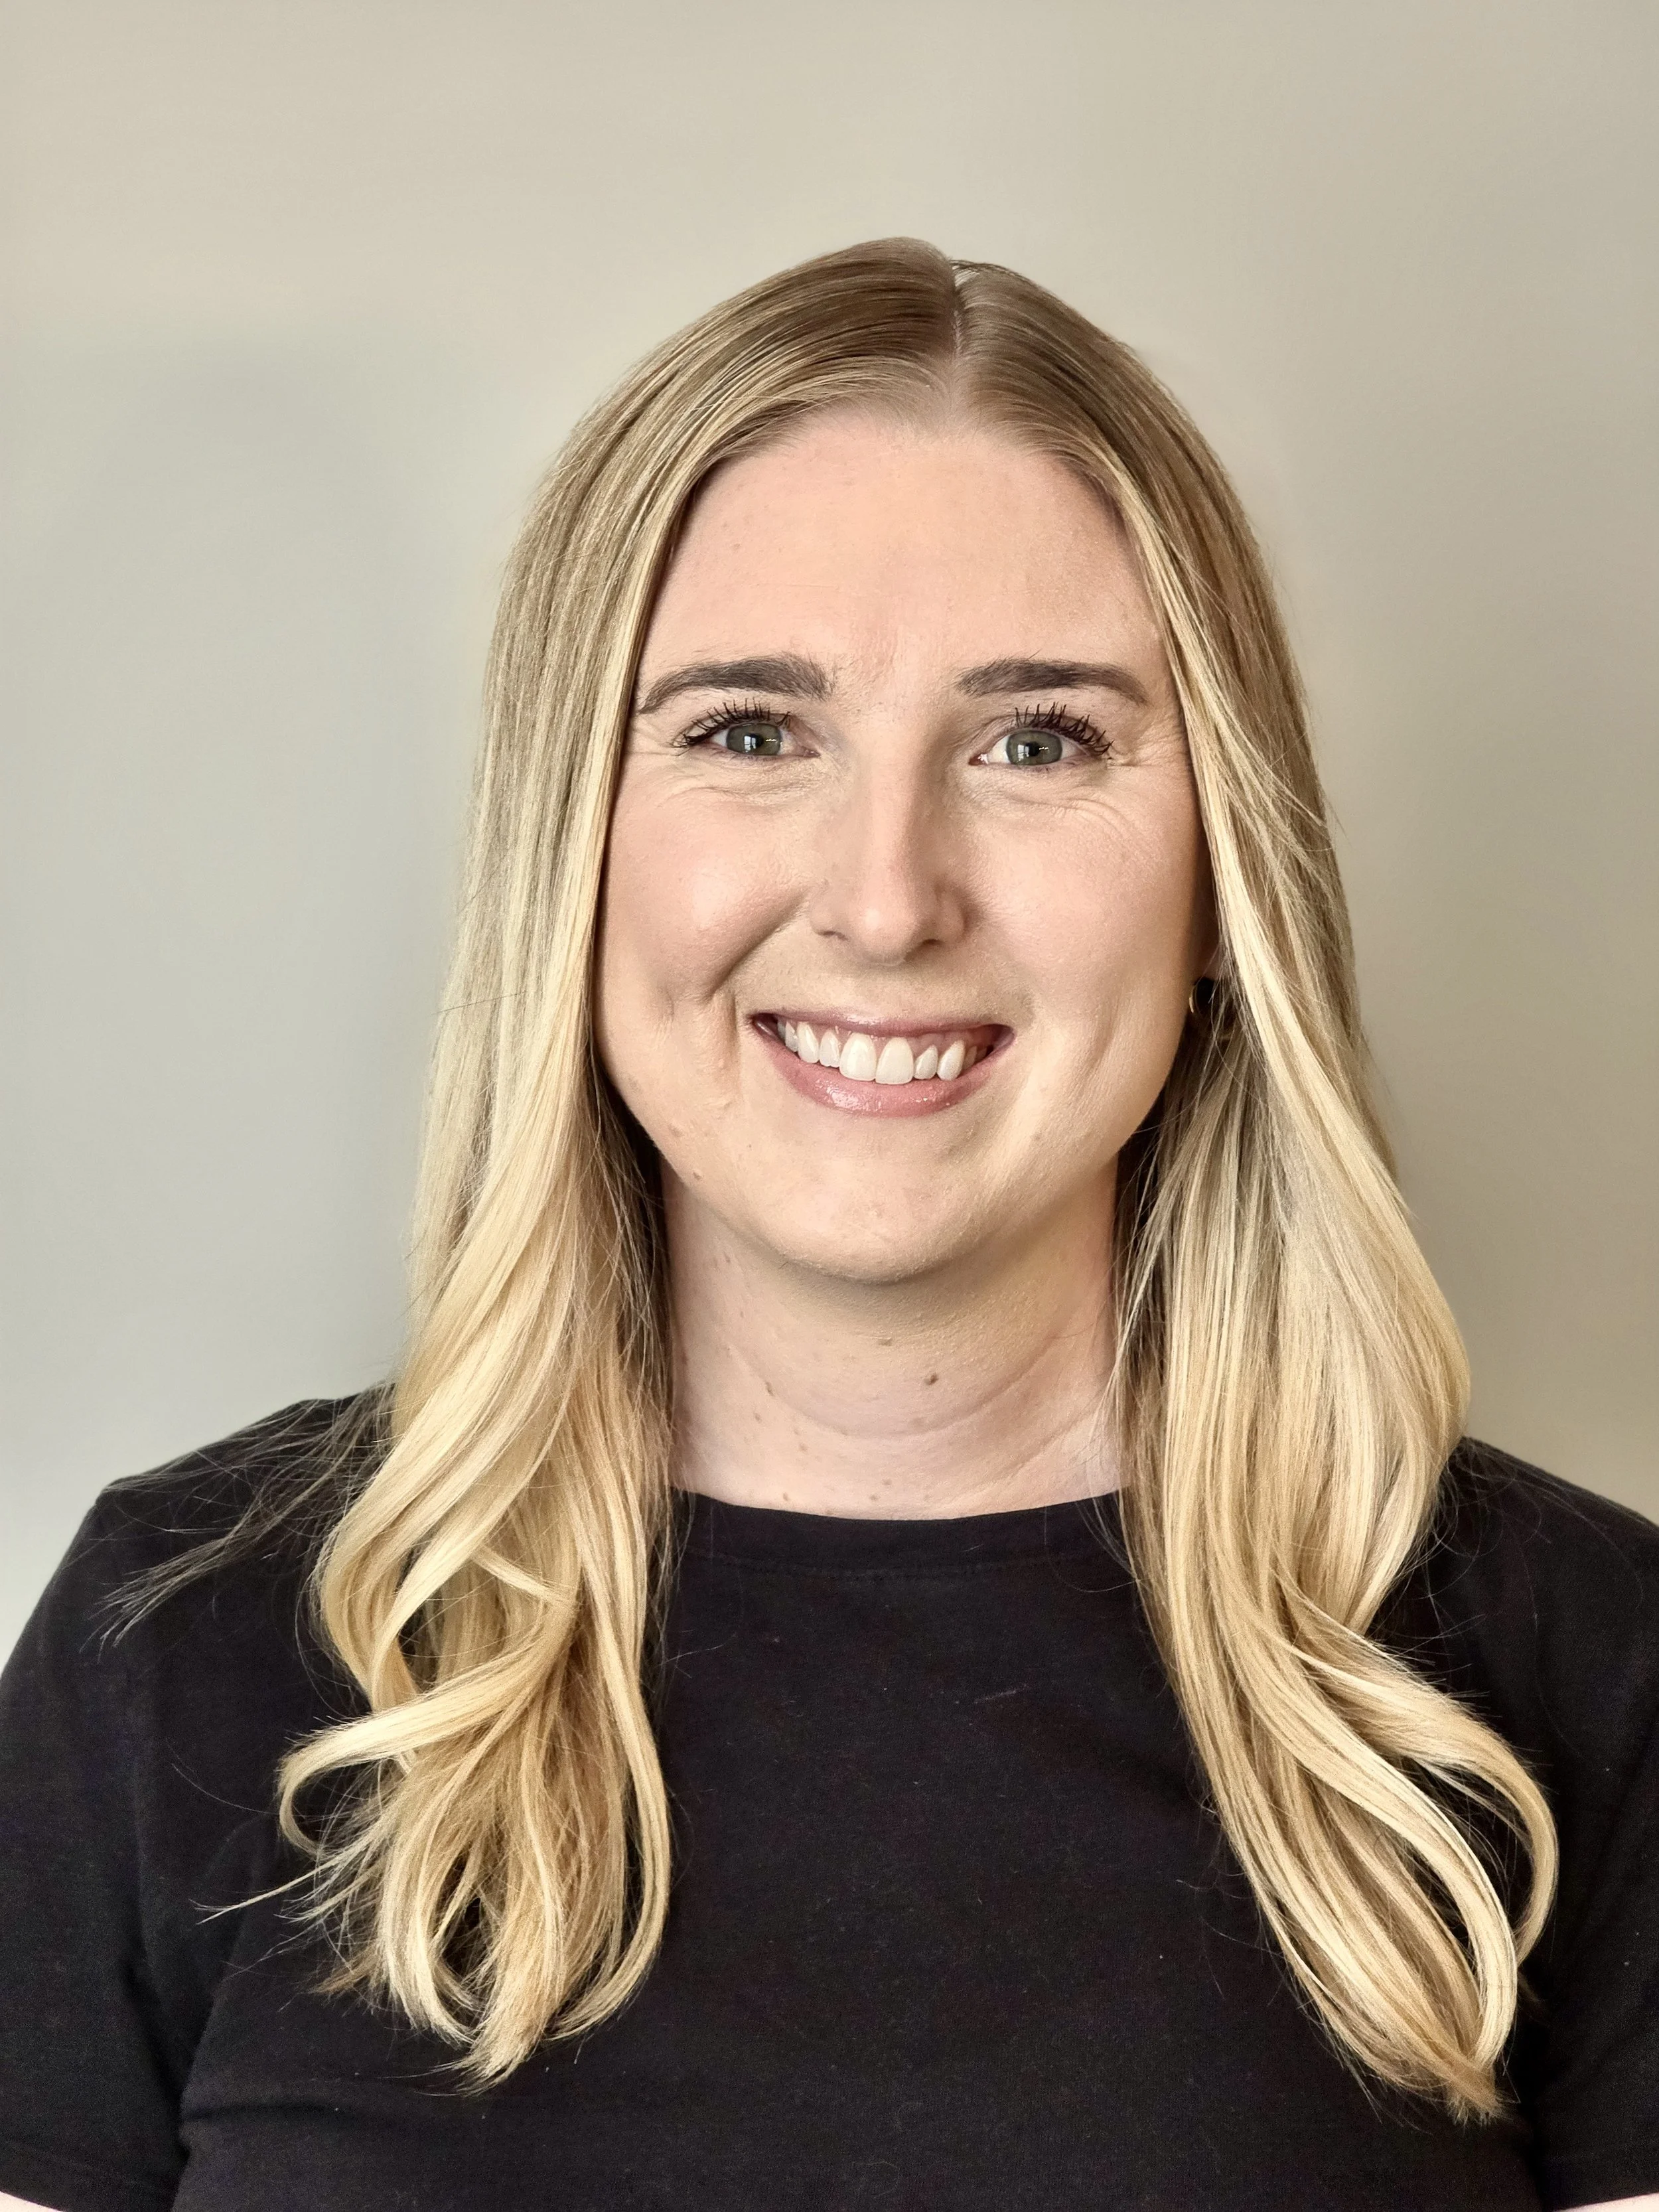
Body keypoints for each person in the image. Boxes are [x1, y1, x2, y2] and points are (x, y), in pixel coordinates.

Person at [0, 239, 1654, 2212]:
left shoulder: (1581, 1678)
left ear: (1223, 876)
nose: (886, 899)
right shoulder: (176, 1644)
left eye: (1036, 739)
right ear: (571, 849)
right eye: (747, 730)